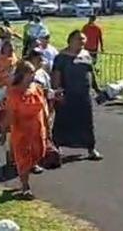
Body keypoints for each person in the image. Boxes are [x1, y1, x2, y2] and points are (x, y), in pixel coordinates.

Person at [0, 61, 49, 199]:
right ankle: (25, 186)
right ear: (22, 75)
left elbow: (44, 109)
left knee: (40, 152)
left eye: (33, 73)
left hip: (38, 128)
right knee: (23, 158)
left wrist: (47, 127)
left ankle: (28, 166)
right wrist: (4, 133)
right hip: (21, 131)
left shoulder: (37, 88)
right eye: (30, 73)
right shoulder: (14, 93)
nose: (33, 76)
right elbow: (9, 115)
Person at [52, 30, 103, 160]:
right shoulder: (61, 57)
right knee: (63, 121)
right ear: (70, 41)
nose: (82, 42)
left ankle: (91, 149)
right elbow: (56, 76)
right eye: (79, 39)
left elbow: (91, 73)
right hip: (67, 95)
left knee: (86, 123)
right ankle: (56, 147)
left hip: (83, 96)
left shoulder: (86, 55)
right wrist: (58, 92)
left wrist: (97, 89)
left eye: (83, 39)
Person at [0, 40, 18, 112]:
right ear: (3, 49)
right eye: (9, 48)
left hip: (12, 85)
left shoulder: (15, 58)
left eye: (12, 48)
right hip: (1, 85)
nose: (11, 49)